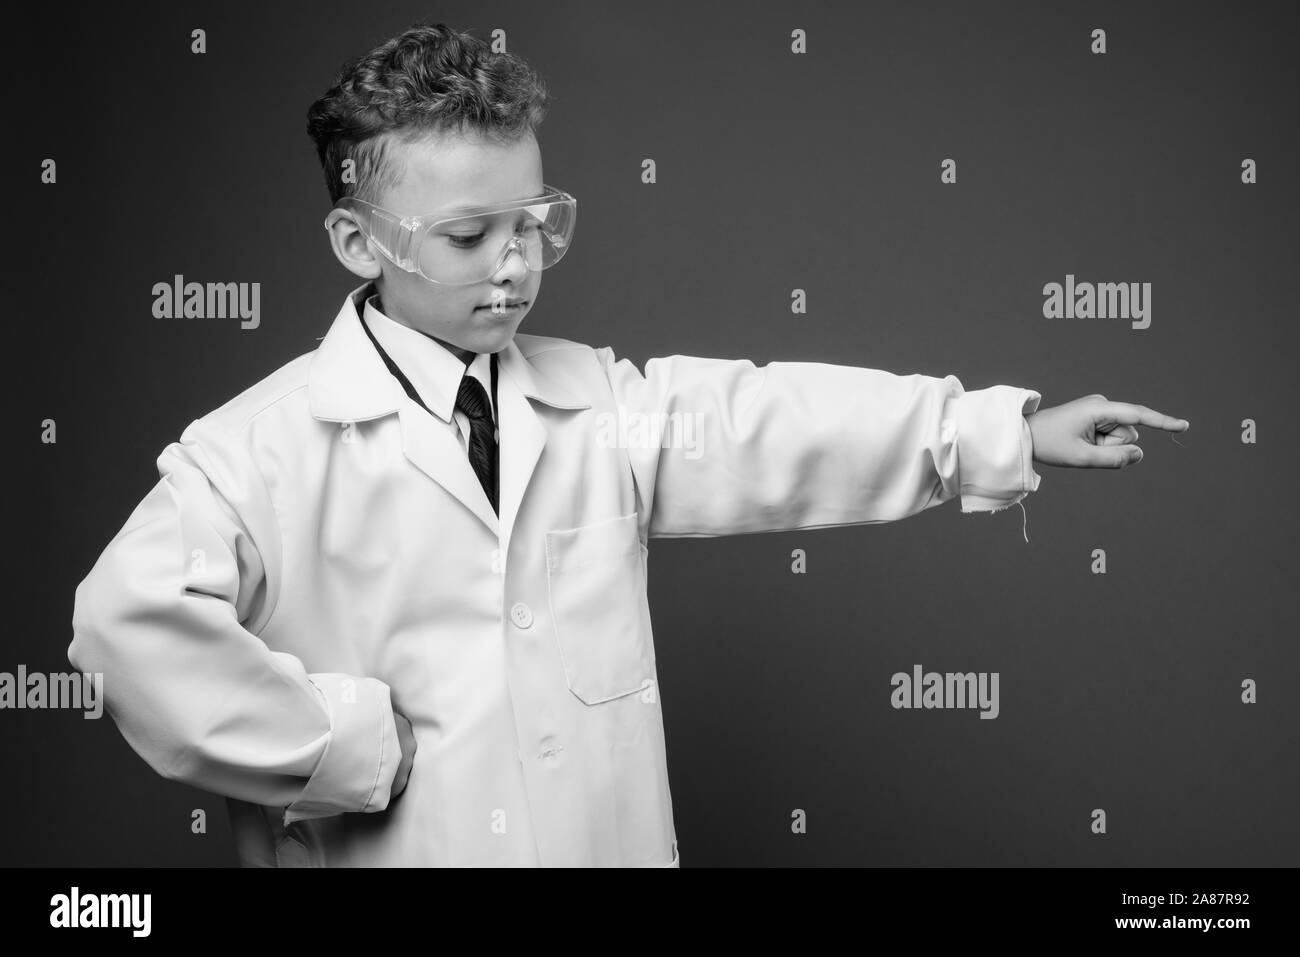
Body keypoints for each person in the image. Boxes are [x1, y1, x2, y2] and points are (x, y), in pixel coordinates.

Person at [67, 22, 1189, 867]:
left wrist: (998, 428)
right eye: (469, 236)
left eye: (535, 222)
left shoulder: (595, 401)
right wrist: (341, 748)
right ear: (358, 241)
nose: (515, 263)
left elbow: (764, 425)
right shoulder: (257, 451)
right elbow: (126, 635)